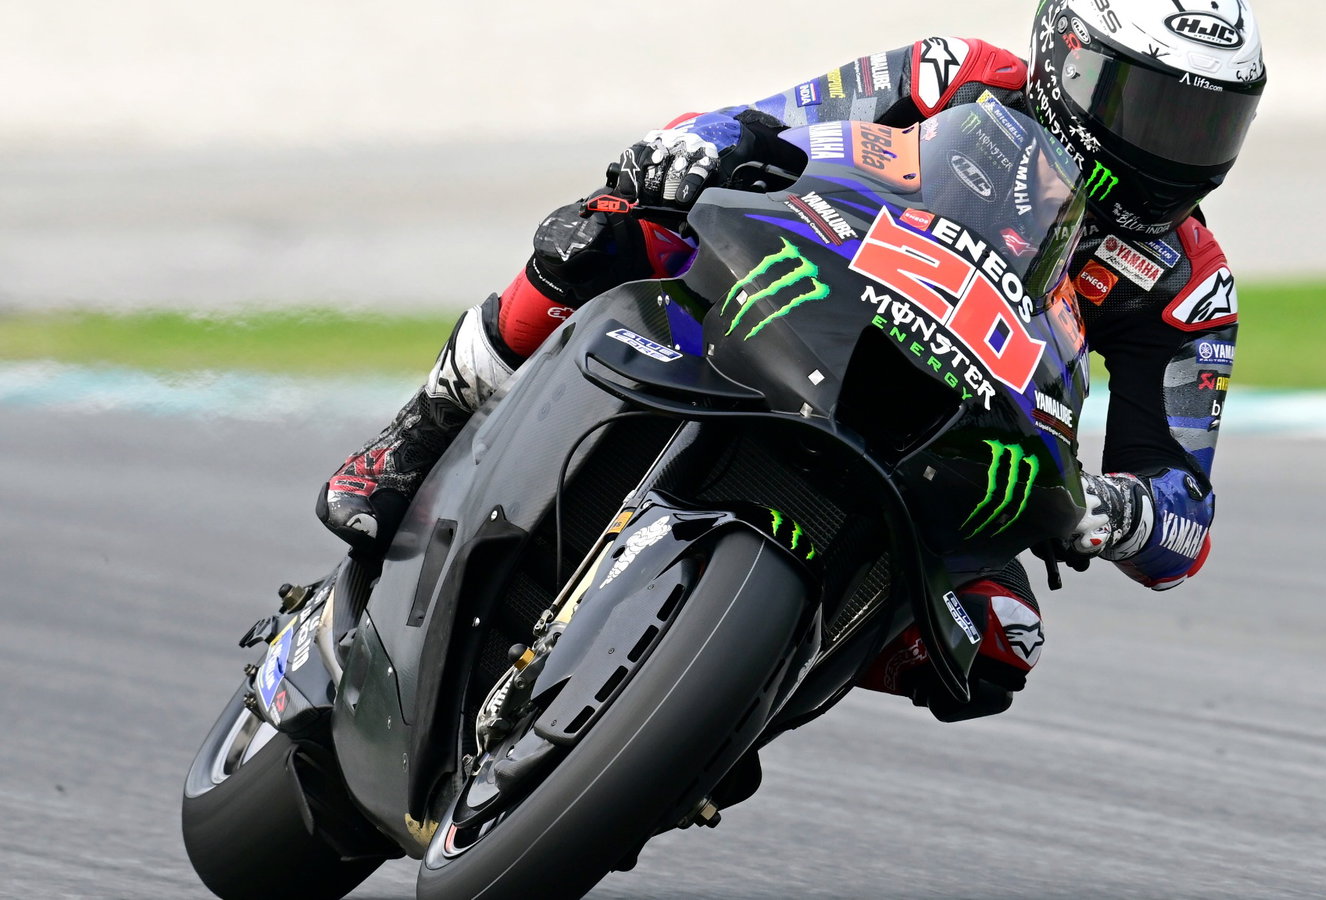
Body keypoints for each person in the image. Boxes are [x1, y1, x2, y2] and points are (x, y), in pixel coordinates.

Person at [317, 0, 1266, 715]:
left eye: (1200, 124)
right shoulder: (958, 73)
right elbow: (773, 119)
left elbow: (1183, 511)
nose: (1167, 147)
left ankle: (731, 704)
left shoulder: (1189, 282)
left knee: (996, 645)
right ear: (1066, 56)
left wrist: (1119, 509)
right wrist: (688, 151)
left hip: (954, 431)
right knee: (603, 232)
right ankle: (420, 427)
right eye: (1144, 106)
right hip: (806, 296)